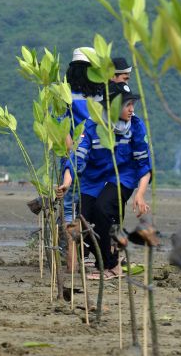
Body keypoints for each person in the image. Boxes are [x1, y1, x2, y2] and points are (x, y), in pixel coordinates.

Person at [57, 82, 152, 280]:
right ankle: (102, 259)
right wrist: (66, 183)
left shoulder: (135, 126)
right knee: (82, 218)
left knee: (103, 208)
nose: (132, 109)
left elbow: (144, 164)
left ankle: (113, 266)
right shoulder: (92, 126)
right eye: (127, 105)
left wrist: (140, 194)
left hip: (122, 178)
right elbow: (76, 159)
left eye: (132, 104)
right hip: (93, 181)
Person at [62, 47, 104, 224]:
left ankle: (70, 244)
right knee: (89, 200)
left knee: (70, 203)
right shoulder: (102, 94)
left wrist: (71, 153)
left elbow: (62, 126)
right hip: (96, 153)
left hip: (75, 152)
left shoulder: (66, 93)